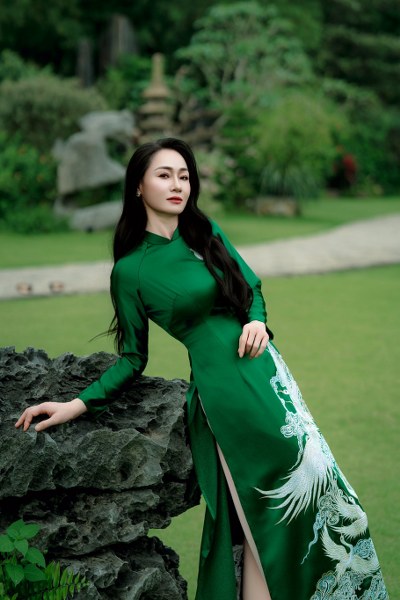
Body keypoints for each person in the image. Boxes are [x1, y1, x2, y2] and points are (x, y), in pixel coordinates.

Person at [16, 138, 388, 600]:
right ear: (138, 186)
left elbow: (250, 285)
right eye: (164, 175)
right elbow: (133, 358)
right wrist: (76, 404)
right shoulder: (131, 271)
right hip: (225, 394)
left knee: (327, 497)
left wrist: (257, 320)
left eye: (184, 176)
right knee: (262, 519)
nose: (178, 185)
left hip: (269, 377)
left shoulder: (203, 230)